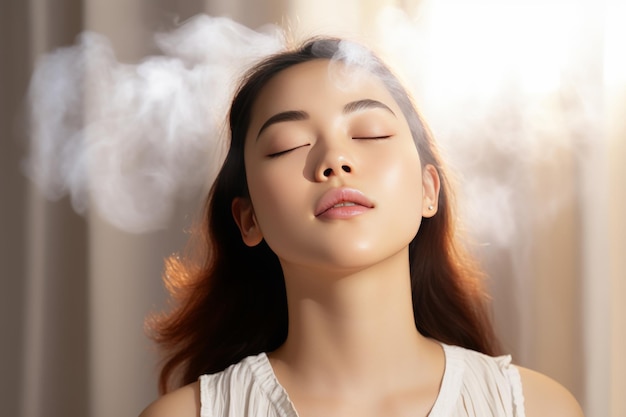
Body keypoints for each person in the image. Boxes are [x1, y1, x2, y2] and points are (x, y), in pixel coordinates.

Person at [139, 37, 583, 417]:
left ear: (429, 190)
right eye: (288, 145)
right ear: (248, 218)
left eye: (370, 133)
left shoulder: (535, 407)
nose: (335, 160)